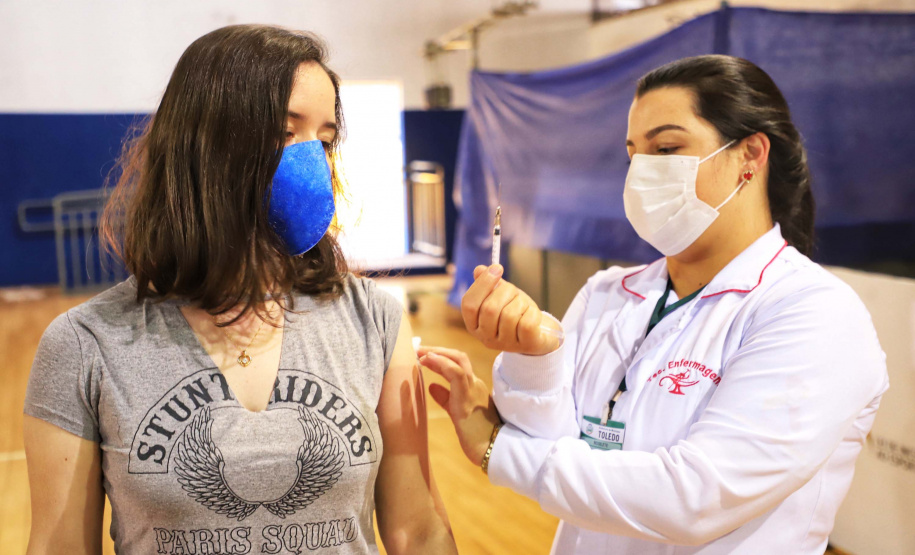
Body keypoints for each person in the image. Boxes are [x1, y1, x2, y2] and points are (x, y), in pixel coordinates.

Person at [420, 55, 888, 554]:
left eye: (666, 148)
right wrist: (536, 354)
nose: (643, 172)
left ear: (750, 155)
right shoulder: (607, 294)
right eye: (634, 154)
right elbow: (559, 451)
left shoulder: (812, 313)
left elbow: (695, 499)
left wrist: (500, 450)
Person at [23, 25, 457, 555]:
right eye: (283, 133)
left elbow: (418, 531)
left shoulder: (376, 320)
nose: (310, 161)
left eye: (322, 140)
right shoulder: (84, 343)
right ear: (201, 144)